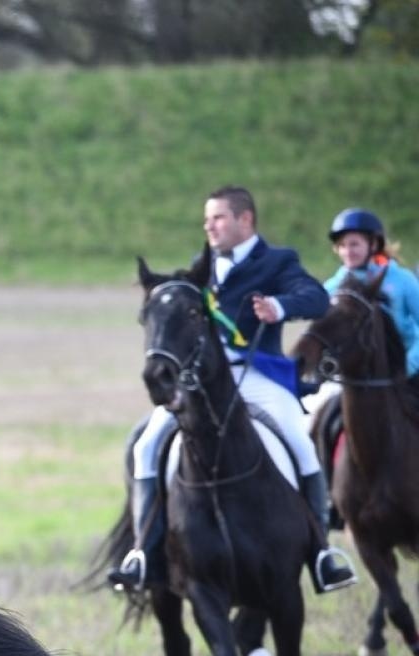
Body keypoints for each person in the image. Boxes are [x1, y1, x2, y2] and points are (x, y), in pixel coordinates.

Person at [109, 185, 354, 594]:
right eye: (207, 219)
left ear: (245, 220)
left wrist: (279, 307)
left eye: (218, 217)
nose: (210, 225)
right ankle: (143, 554)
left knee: (299, 440)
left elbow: (315, 298)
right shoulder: (202, 265)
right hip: (201, 382)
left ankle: (320, 552)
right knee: (146, 446)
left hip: (255, 375)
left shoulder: (278, 261)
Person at [321, 208, 419, 381]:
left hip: (405, 371)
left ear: (373, 245)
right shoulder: (331, 287)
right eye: (342, 246)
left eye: (354, 244)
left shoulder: (403, 280)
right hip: (350, 375)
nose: (347, 251)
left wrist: (409, 365)